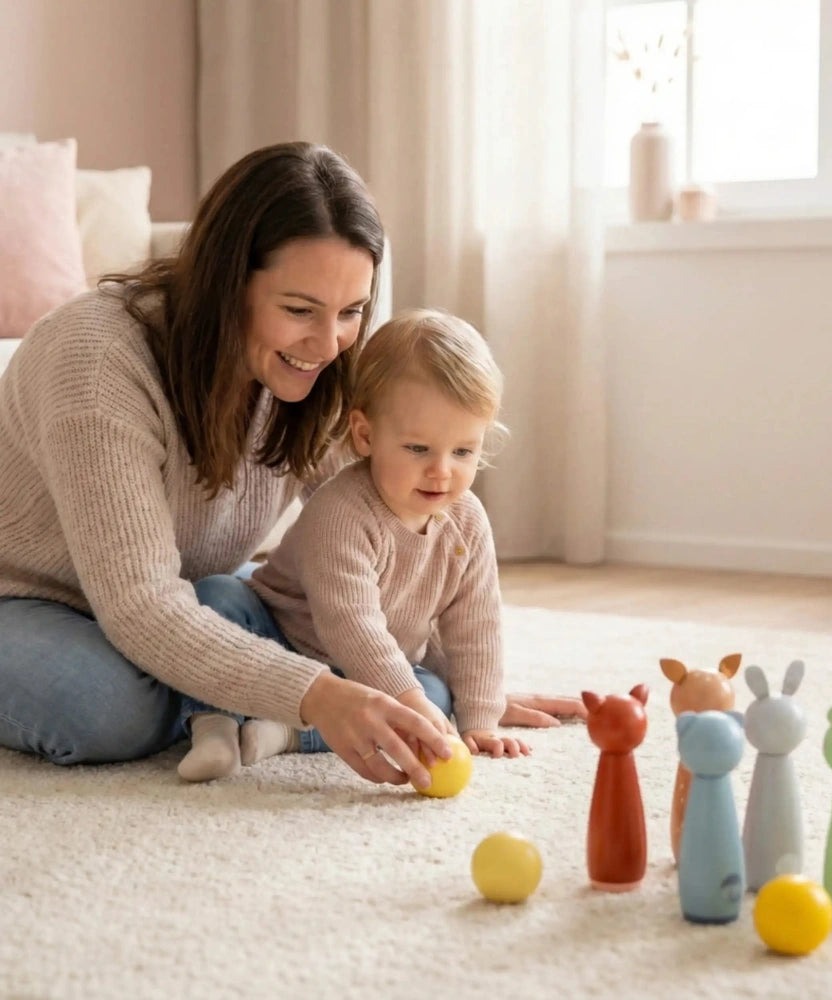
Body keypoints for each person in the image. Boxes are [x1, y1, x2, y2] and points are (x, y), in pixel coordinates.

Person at [0, 141, 583, 791]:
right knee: (109, 710)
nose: (328, 344)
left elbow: (389, 517)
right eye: (300, 310)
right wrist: (319, 697)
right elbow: (140, 605)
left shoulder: (317, 369)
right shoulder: (99, 359)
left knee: (354, 648)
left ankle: (219, 703)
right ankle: (220, 699)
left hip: (171, 590)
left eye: (352, 312)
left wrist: (473, 694)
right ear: (227, 285)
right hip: (24, 596)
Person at [178, 307, 530, 782]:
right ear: (366, 435)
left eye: (463, 451)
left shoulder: (467, 522)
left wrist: (481, 718)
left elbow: (476, 624)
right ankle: (213, 725)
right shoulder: (342, 510)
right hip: (281, 639)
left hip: (364, 671)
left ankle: (283, 734)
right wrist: (405, 700)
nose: (442, 471)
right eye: (418, 449)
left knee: (438, 696)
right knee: (217, 597)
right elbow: (352, 624)